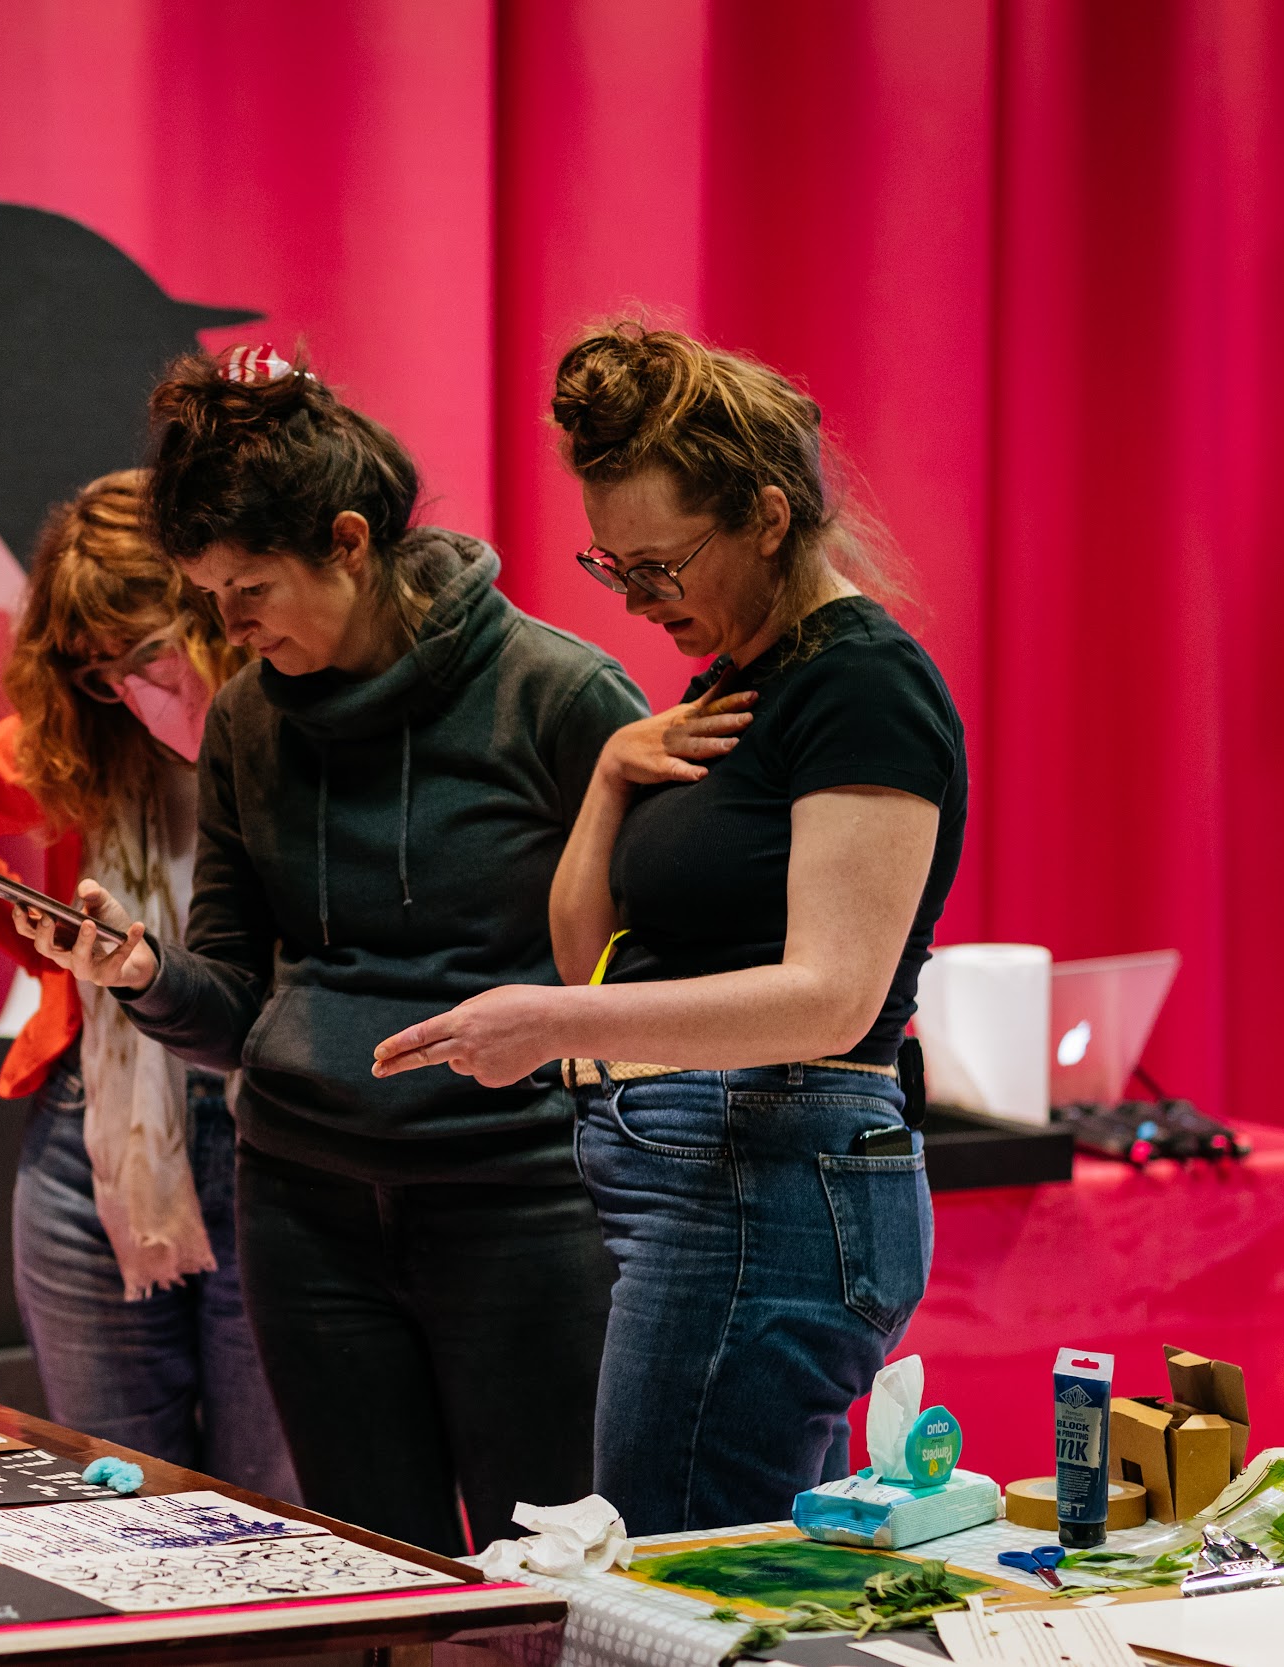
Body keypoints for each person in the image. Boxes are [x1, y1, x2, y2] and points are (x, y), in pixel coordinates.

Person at [26, 346, 648, 1557]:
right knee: (372, 1579)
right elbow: (235, 1004)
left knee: (558, 1577)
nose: (228, 624)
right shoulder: (251, 720)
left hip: (522, 1208)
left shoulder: (557, 696)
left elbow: (670, 966)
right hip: (304, 1211)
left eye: (247, 588)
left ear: (350, 540)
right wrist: (141, 973)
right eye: (208, 594)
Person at [372, 322, 967, 1534]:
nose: (641, 601)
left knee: (678, 1576)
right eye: (612, 570)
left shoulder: (860, 682)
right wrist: (605, 777)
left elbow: (829, 995)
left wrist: (554, 1024)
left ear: (764, 513)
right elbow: (583, 938)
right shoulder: (728, 679)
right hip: (707, 1175)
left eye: (660, 565)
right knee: (674, 1564)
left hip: (771, 1173)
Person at [0, 471, 296, 1497]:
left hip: (276, 1133)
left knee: (276, 1510)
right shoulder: (84, 738)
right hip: (94, 1140)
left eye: (145, 650)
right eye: (98, 669)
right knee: (113, 1497)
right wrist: (59, 963)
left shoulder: (307, 732)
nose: (129, 685)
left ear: (214, 609)